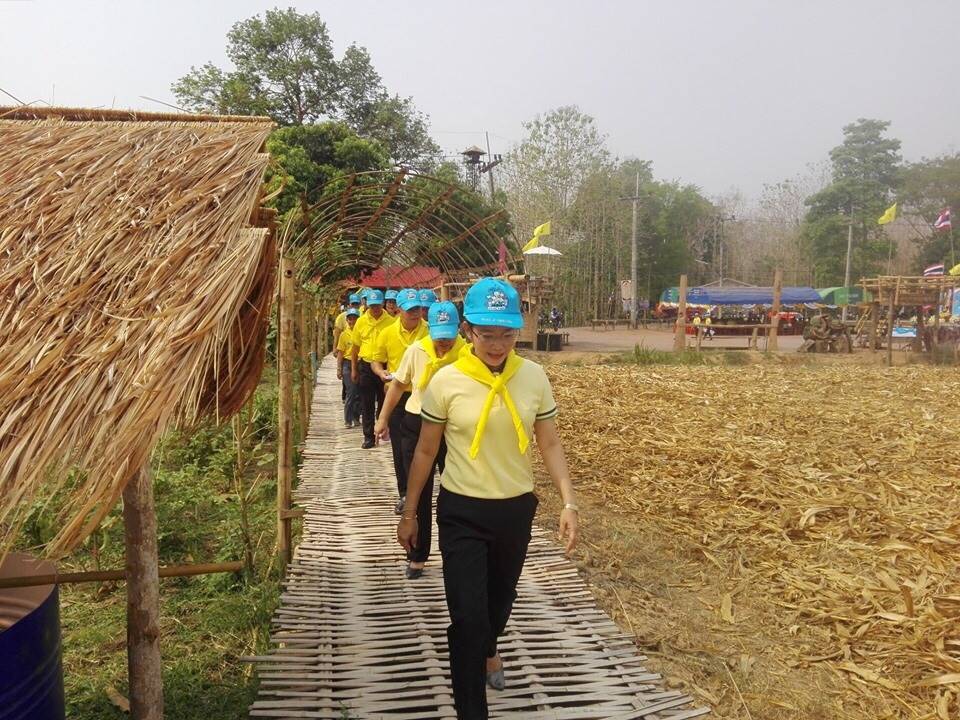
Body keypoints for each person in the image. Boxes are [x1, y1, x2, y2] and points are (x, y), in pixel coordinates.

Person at [398, 277, 578, 720]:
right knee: (467, 617)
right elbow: (425, 451)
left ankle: (490, 648)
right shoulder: (447, 381)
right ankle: (471, 709)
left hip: (515, 511)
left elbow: (550, 442)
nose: (497, 345)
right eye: (486, 334)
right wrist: (410, 511)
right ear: (468, 331)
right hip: (462, 510)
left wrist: (569, 502)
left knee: (498, 604)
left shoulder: (533, 377)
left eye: (506, 334)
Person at [375, 300, 465, 578]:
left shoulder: (467, 353)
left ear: (459, 329)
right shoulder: (417, 350)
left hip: (453, 429)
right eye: (439, 337)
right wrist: (382, 418)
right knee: (419, 491)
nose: (444, 344)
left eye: (449, 337)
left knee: (456, 493)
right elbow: (398, 385)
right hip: (418, 424)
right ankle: (417, 555)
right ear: (431, 330)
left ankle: (456, 553)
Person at [372, 288, 428, 511]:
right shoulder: (387, 333)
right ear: (399, 310)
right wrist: (380, 372)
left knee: (427, 446)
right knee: (400, 447)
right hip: (398, 396)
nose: (415, 313)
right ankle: (405, 493)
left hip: (424, 396)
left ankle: (425, 491)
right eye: (410, 309)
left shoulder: (431, 331)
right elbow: (376, 360)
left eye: (418, 309)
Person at [350, 289, 395, 449]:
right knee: (366, 402)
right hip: (366, 366)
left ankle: (382, 431)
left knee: (384, 401)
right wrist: (354, 369)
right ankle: (368, 436)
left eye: (377, 305)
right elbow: (355, 347)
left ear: (383, 304)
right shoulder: (361, 322)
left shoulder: (391, 322)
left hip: (384, 367)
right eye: (372, 305)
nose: (375, 308)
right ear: (367, 305)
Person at [335, 308, 361, 428]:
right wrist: (339, 369)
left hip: (360, 363)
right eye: (350, 319)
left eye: (354, 319)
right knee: (351, 391)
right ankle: (348, 419)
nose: (352, 321)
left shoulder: (362, 333)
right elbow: (340, 353)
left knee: (358, 393)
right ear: (347, 320)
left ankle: (356, 417)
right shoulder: (344, 335)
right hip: (347, 364)